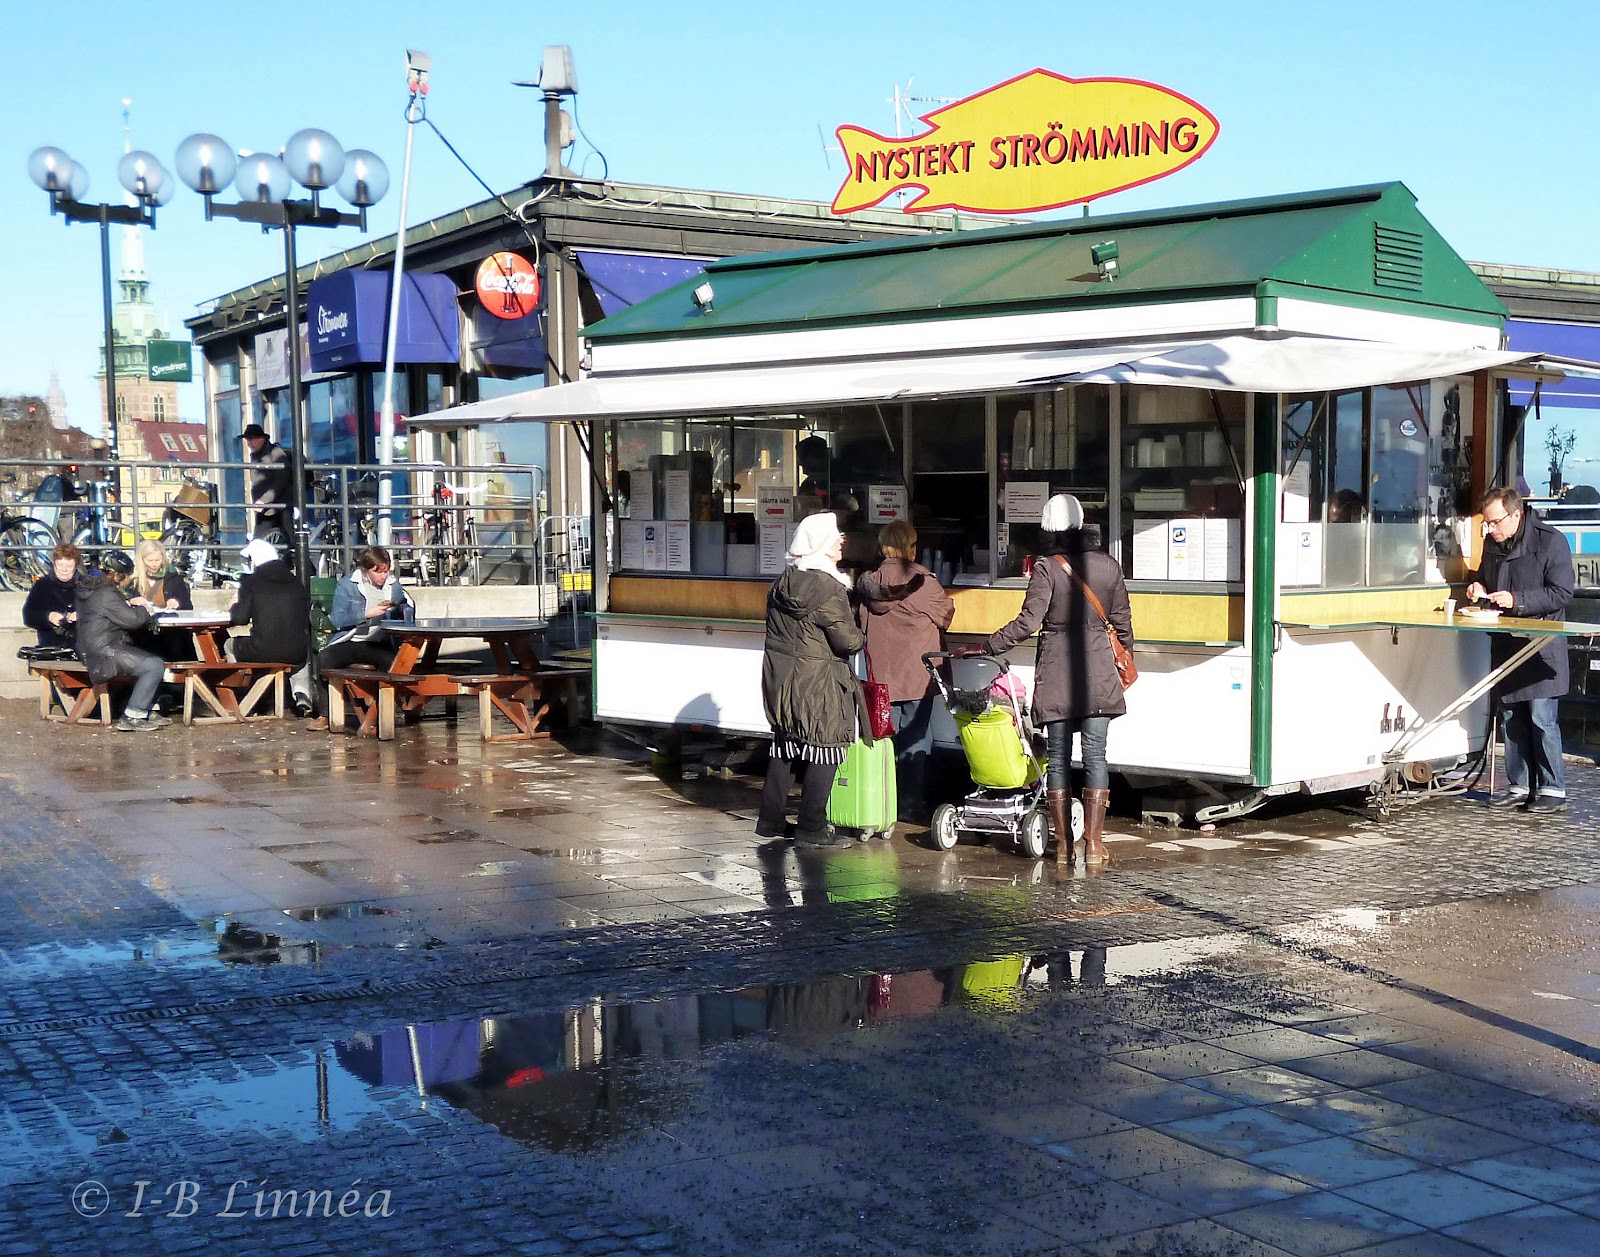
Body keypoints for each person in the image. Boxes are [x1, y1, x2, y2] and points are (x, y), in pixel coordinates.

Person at [966, 494, 1132, 865]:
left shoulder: (1046, 567)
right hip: (1100, 675)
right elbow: (1122, 623)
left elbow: (1028, 622)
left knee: (1057, 759)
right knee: (1096, 756)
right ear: (1082, 522)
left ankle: (1063, 846)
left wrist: (989, 646)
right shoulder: (1108, 565)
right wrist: (1122, 661)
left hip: (1058, 673)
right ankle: (1094, 845)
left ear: (1046, 527)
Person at [755, 512, 867, 849]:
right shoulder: (829, 589)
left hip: (781, 678)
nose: (841, 542)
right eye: (835, 538)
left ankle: (771, 820)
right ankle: (812, 827)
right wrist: (862, 634)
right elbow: (846, 641)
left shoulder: (783, 583)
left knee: (786, 744)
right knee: (826, 747)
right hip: (819, 681)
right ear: (821, 545)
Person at [1465, 485, 1576, 813]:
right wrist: (1478, 586)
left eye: (1495, 522)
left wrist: (1518, 600)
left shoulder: (1551, 541)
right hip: (1507, 644)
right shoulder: (1492, 543)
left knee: (1542, 718)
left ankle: (1553, 789)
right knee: (1511, 717)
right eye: (1487, 523)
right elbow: (1485, 577)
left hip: (1541, 646)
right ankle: (1519, 785)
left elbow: (1562, 592)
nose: (1490, 529)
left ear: (1516, 515)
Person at [856, 519, 954, 820]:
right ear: (909, 547)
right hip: (916, 677)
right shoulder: (923, 582)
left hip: (881, 677)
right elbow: (946, 615)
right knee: (915, 738)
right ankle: (909, 804)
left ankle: (882, 800)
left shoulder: (871, 582)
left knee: (884, 738)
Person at [308, 546, 414, 731]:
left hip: (379, 641)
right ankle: (325, 714)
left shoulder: (393, 586)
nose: (383, 576)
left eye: (386, 571)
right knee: (325, 658)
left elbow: (406, 609)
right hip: (351, 640)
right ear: (366, 570)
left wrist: (400, 610)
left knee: (395, 664)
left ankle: (387, 711)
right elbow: (338, 619)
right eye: (378, 572)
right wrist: (366, 614)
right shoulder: (348, 585)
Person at [74, 554, 170, 733]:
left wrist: (126, 603)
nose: (128, 581)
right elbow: (132, 620)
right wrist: (144, 608)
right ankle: (134, 715)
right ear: (119, 575)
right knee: (153, 665)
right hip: (105, 652)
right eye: (127, 576)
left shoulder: (92, 589)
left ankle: (148, 708)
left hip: (92, 648)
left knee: (149, 651)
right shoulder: (106, 593)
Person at [229, 538, 313, 714]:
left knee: (229, 644)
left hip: (262, 650)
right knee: (299, 651)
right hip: (296, 652)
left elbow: (240, 619)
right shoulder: (296, 582)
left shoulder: (251, 582)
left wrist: (234, 605)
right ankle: (302, 693)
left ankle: (241, 692)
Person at [22, 542, 79, 648]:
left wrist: (82, 615)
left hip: (81, 645)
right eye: (60, 565)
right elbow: (28, 615)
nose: (64, 570)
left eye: (69, 566)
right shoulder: (42, 586)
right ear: (54, 565)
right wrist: (48, 616)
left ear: (75, 566)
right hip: (51, 646)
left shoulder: (86, 585)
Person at [241, 422, 292, 541]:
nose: (248, 444)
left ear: (261, 439)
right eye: (247, 440)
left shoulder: (276, 454)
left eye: (250, 440)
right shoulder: (256, 455)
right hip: (265, 508)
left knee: (284, 541)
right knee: (267, 541)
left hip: (278, 507)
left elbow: (281, 481)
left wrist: (264, 500)